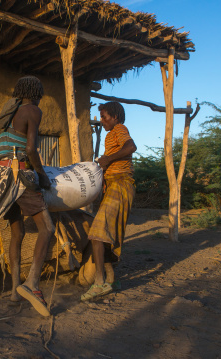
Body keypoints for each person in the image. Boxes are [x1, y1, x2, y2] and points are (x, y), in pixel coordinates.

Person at [0, 76, 55, 317]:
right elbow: (31, 149)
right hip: (18, 175)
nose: (40, 97)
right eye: (40, 93)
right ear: (35, 93)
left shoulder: (9, 112)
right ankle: (32, 284)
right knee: (47, 228)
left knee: (17, 232)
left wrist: (8, 149)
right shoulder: (32, 110)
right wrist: (42, 174)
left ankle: (15, 291)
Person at [81, 101, 137, 301]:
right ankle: (111, 279)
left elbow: (131, 146)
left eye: (104, 117)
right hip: (114, 186)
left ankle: (99, 283)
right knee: (108, 235)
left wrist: (107, 159)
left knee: (97, 234)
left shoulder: (120, 129)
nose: (102, 120)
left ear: (115, 117)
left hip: (121, 184)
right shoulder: (109, 135)